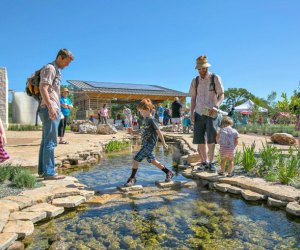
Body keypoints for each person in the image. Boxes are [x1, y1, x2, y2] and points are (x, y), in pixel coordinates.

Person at [38, 48, 74, 180]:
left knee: (46, 141)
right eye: (66, 62)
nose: (67, 65)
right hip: (49, 109)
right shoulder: (50, 68)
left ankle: (43, 171)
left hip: (50, 109)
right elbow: (43, 87)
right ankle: (49, 172)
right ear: (60, 57)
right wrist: (50, 107)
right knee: (51, 141)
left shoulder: (56, 70)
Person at [124, 98, 174, 187]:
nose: (141, 114)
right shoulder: (145, 120)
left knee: (136, 159)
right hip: (145, 144)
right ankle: (168, 172)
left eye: (142, 112)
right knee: (153, 161)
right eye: (140, 112)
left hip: (150, 144)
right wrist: (134, 132)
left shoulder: (151, 120)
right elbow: (143, 130)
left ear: (147, 109)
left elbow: (159, 132)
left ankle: (132, 178)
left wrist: (164, 143)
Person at [189, 55, 224, 172]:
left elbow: (221, 94)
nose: (201, 71)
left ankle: (211, 162)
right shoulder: (195, 81)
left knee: (211, 138)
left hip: (211, 112)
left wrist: (217, 105)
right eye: (199, 69)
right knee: (199, 139)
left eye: (203, 68)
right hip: (199, 112)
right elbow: (193, 98)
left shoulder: (215, 78)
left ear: (207, 67)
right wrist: (191, 112)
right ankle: (204, 162)